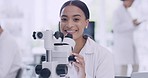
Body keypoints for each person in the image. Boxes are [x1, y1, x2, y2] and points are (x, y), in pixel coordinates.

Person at [59, 0, 114, 78]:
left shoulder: (103, 55)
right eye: (64, 19)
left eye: (76, 19)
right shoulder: (51, 53)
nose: (69, 25)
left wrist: (83, 76)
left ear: (86, 23)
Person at [112, 0, 139, 76]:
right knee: (123, 67)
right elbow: (116, 28)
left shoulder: (128, 12)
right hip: (122, 44)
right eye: (131, 1)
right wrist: (131, 24)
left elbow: (129, 27)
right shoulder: (117, 11)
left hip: (129, 42)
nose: (132, 2)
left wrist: (134, 24)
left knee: (136, 65)